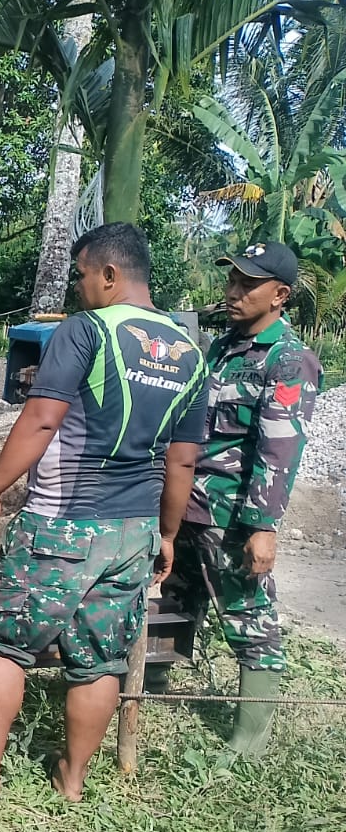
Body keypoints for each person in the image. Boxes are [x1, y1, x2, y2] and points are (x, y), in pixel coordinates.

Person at [0, 223, 209, 803]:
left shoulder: (87, 331)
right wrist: (167, 532)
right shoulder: (189, 352)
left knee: (6, 641)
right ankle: (72, 781)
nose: (79, 287)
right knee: (100, 656)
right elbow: (182, 462)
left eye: (81, 274)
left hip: (63, 521)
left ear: (109, 274)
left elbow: (40, 420)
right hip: (132, 530)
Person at [156, 240, 321, 757]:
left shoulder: (288, 360)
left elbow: (279, 449)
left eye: (248, 284)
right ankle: (152, 690)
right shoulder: (221, 348)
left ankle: (249, 743)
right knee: (177, 600)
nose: (233, 292)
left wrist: (262, 527)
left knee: (250, 618)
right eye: (232, 280)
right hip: (189, 506)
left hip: (230, 515)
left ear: (280, 295)